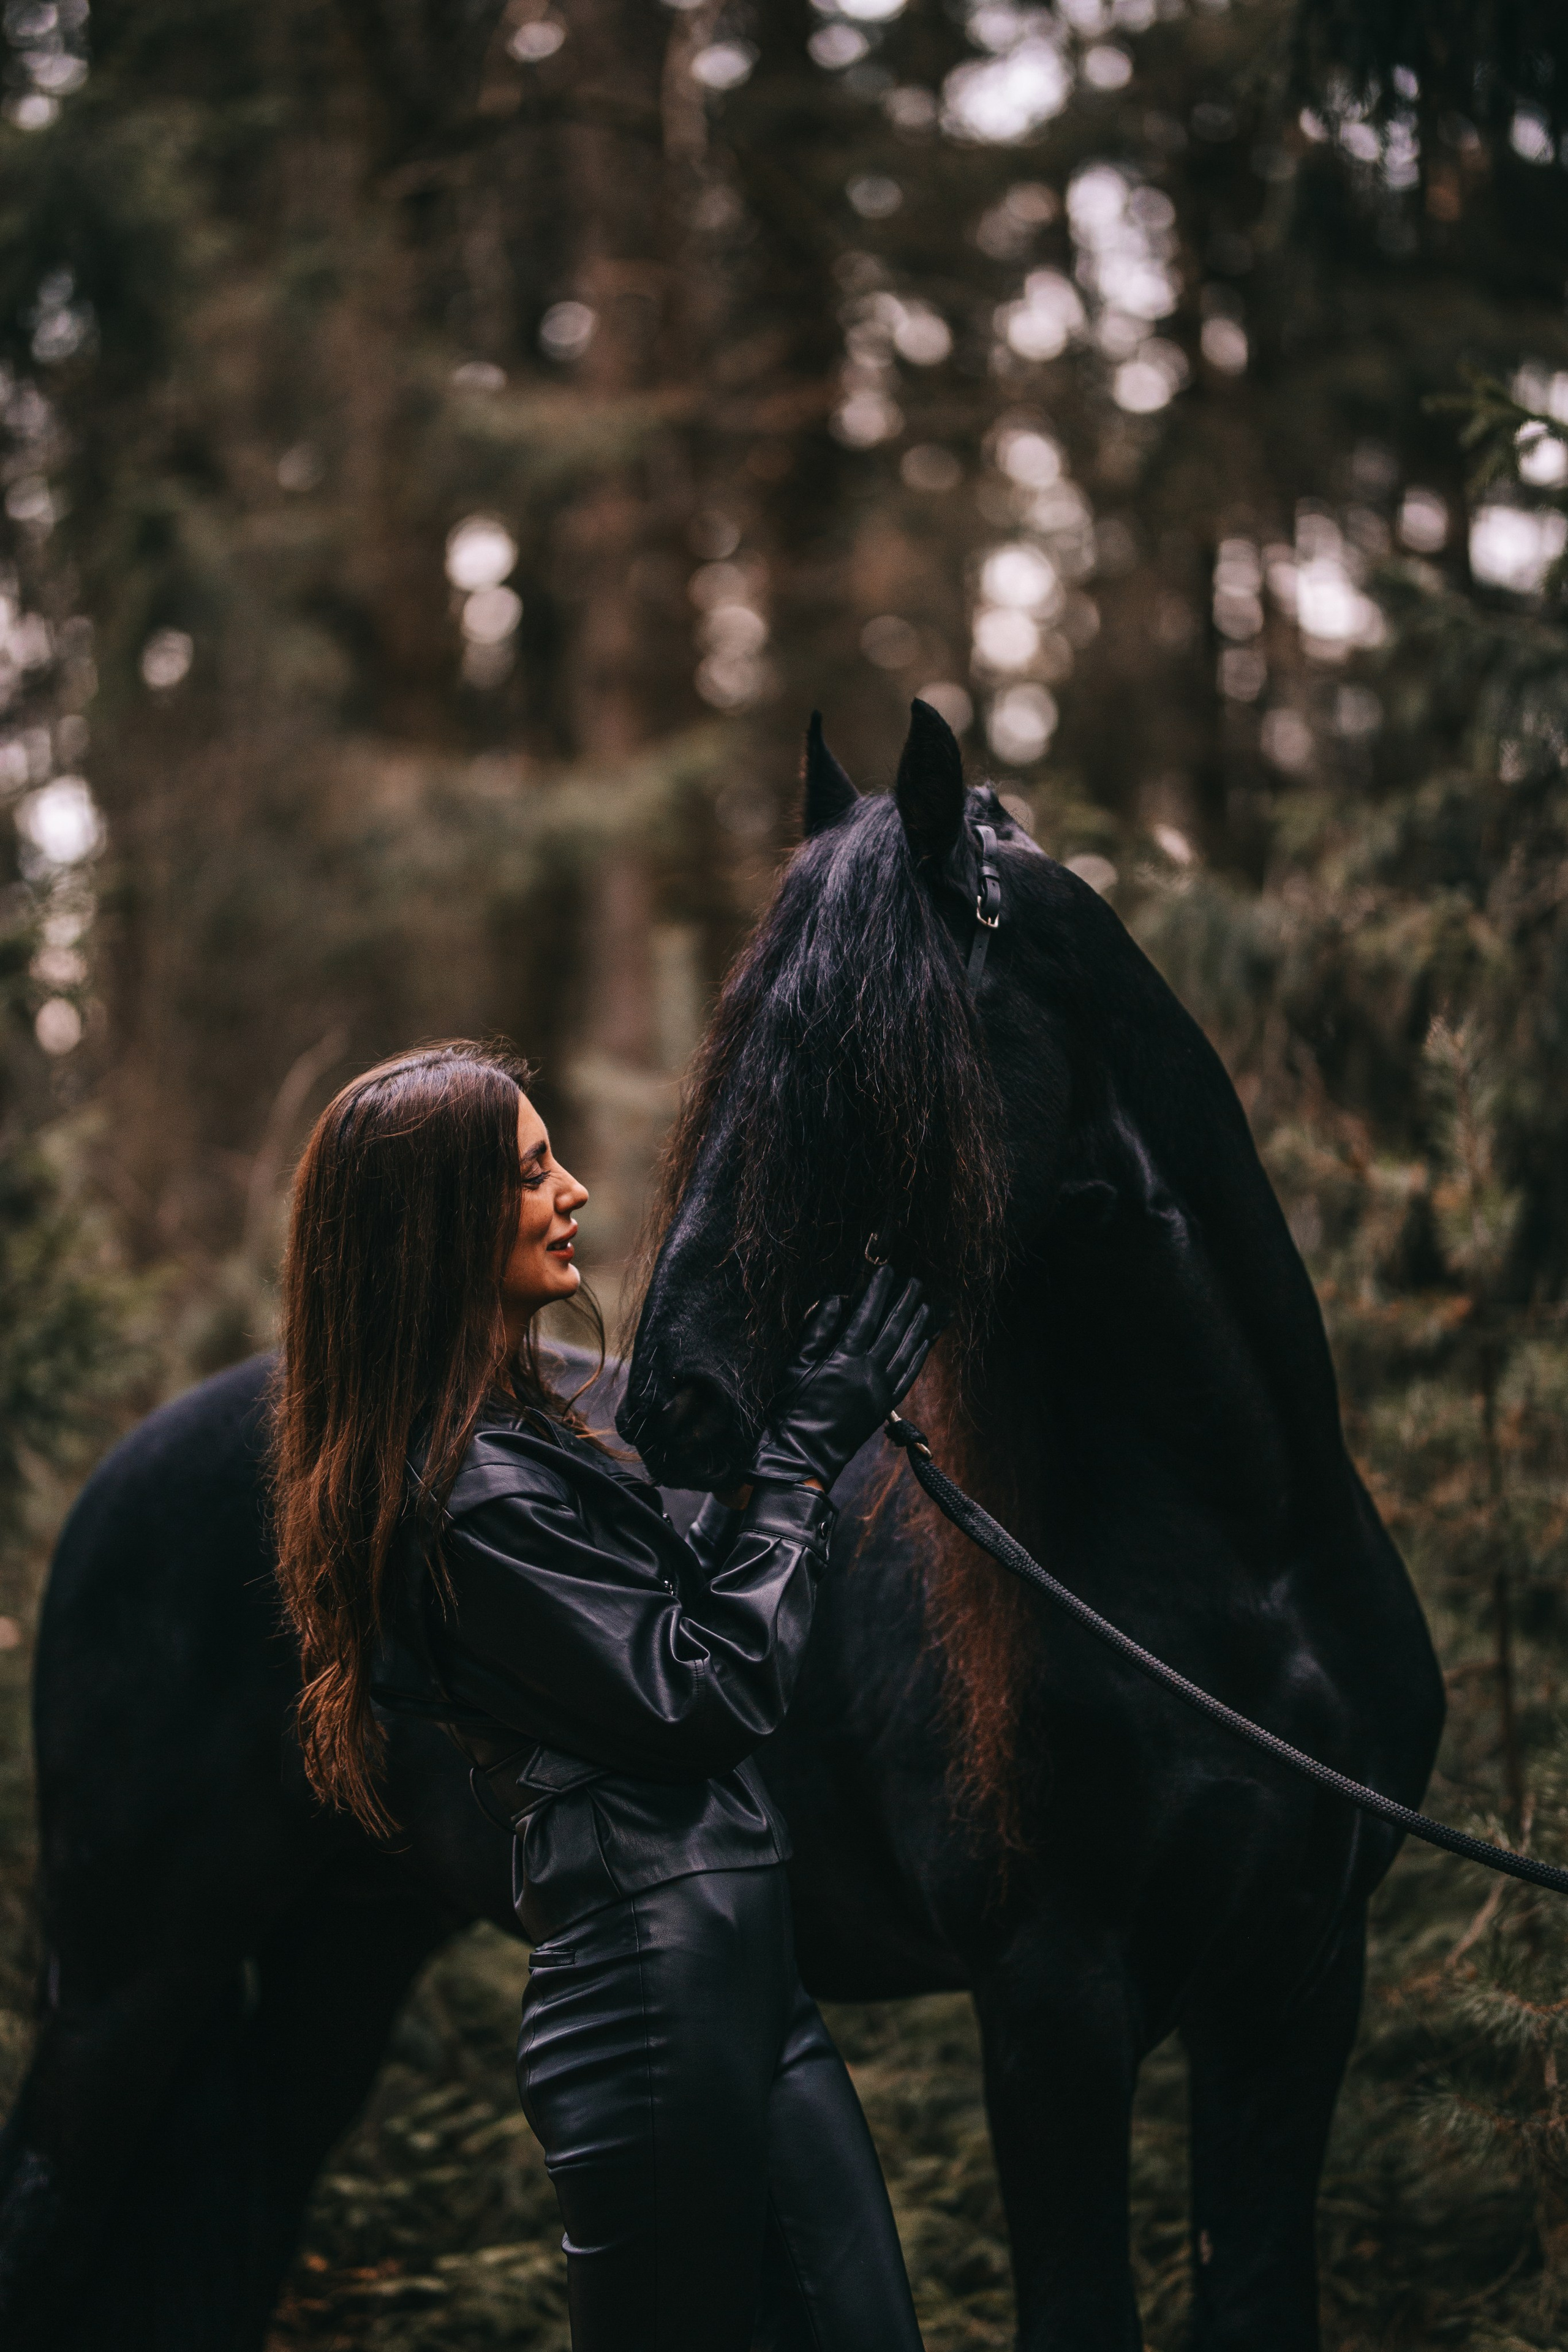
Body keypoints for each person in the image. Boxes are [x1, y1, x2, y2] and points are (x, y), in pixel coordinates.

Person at [270, 1038, 938, 2352]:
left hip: (746, 1979)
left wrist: (782, 1397)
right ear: (437, 1224)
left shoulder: (531, 1442)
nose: (571, 1190)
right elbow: (702, 1695)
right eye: (530, 1172)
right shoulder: (460, 1496)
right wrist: (802, 1460)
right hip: (646, 1999)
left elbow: (682, 1598)